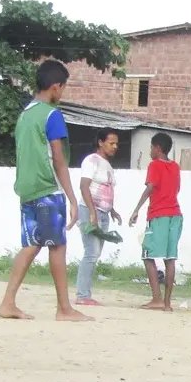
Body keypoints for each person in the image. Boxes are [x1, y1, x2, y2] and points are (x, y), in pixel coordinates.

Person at [0, 61, 89, 321]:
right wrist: (72, 198)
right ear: (55, 87)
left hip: (27, 187)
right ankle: (64, 308)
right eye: (63, 88)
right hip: (48, 187)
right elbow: (58, 159)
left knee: (31, 244)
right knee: (57, 246)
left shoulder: (25, 114)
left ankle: (7, 303)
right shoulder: (52, 115)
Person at [128, 133, 183, 311]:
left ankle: (156, 298)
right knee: (170, 258)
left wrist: (136, 209)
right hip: (175, 215)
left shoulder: (154, 165)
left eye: (151, 147)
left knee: (147, 255)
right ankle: (167, 303)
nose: (150, 151)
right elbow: (177, 189)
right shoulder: (175, 167)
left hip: (158, 215)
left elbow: (150, 188)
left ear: (158, 148)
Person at [74, 130, 121, 306]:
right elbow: (84, 186)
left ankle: (85, 293)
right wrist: (92, 213)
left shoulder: (106, 165)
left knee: (95, 253)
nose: (115, 147)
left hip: (103, 212)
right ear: (101, 143)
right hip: (90, 211)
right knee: (91, 252)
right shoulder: (91, 161)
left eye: (116, 144)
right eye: (111, 143)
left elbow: (104, 190)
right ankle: (82, 295)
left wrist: (112, 210)